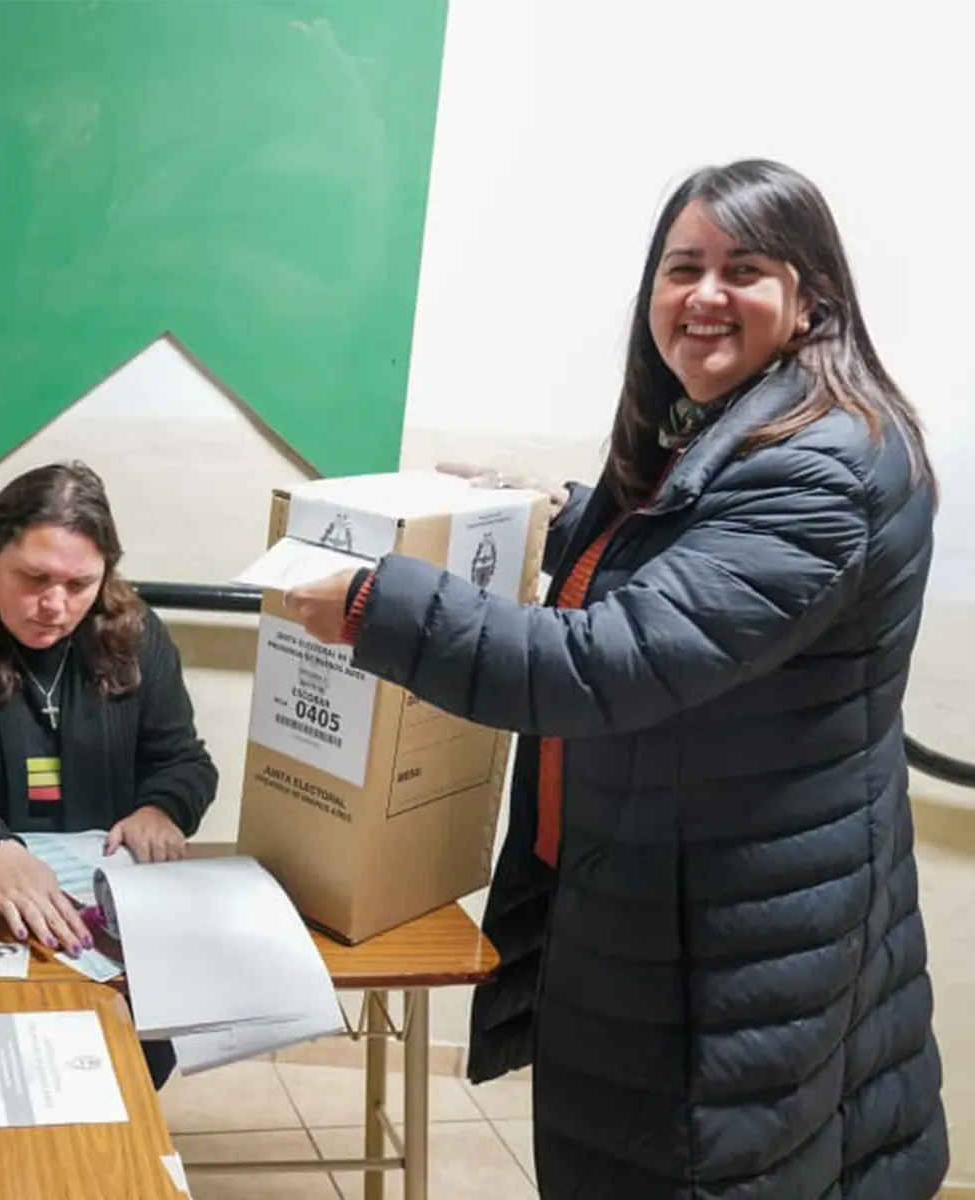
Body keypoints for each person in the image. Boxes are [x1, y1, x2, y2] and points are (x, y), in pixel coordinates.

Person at [284, 159, 948, 1199]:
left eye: (743, 269)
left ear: (808, 293)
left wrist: (376, 606)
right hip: (684, 897)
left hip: (721, 939)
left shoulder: (815, 464)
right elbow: (694, 566)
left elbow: (607, 665)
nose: (703, 296)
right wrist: (564, 510)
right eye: (681, 268)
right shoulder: (759, 424)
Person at [0, 461, 218, 1088]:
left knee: (120, 1078)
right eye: (33, 579)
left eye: (80, 584)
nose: (55, 606)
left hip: (101, 929)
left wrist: (162, 808)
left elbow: (184, 759)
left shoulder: (133, 634)